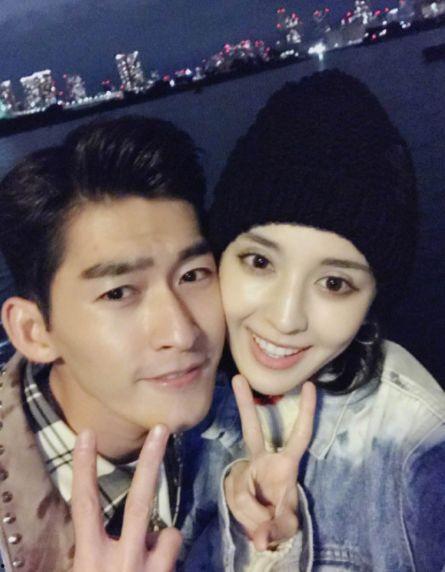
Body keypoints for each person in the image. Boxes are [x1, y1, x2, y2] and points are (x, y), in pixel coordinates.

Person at [196, 70, 445, 570]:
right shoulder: (184, 391)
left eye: (334, 283)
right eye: (260, 262)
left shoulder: (414, 442)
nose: (286, 318)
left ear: (372, 300)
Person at [0, 115, 226, 571]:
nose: (181, 333)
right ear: (33, 332)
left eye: (193, 275)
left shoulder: (255, 435)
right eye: (119, 293)